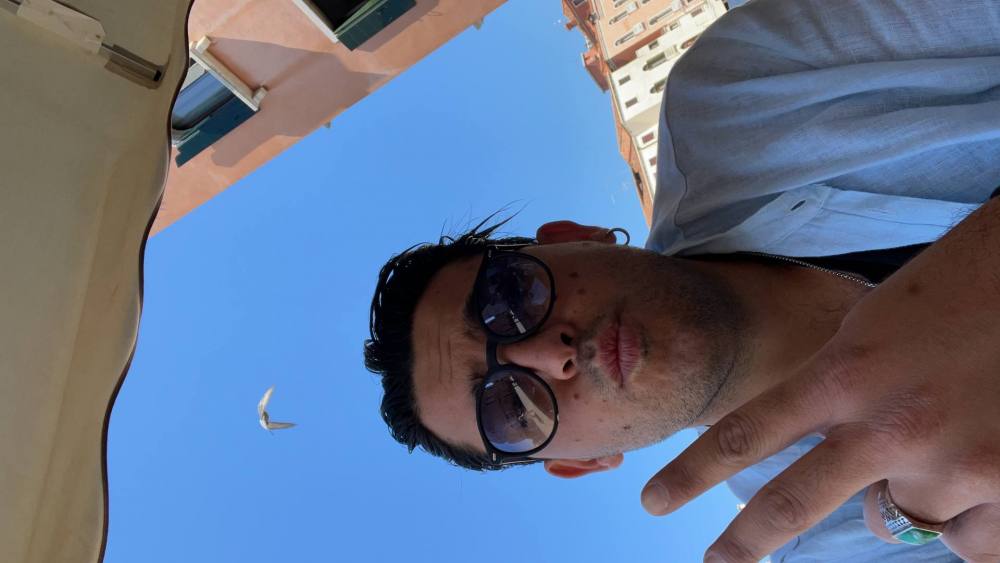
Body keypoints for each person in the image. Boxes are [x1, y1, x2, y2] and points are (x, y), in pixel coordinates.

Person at [365, 0, 1000, 561]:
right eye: (511, 409)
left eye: (507, 299)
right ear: (582, 463)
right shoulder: (826, 542)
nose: (550, 355)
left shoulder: (748, 93)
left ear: (572, 236)